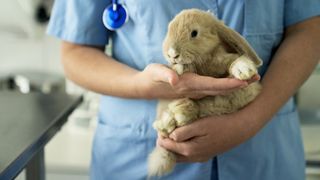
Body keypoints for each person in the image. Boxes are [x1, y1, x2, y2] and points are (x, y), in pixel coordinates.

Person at [47, 1, 320, 179]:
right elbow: (75, 51)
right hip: (136, 153)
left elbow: (309, 29)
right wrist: (144, 86)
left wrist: (248, 121)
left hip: (262, 151)